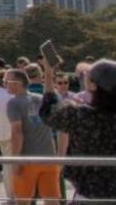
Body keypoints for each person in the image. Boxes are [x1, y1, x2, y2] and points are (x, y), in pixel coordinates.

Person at [46, 58, 116, 202]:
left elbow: (48, 112)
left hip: (87, 195)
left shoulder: (79, 115)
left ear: (93, 85)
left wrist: (48, 74)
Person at [2, 68, 60, 202]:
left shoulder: (13, 103)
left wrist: (15, 160)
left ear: (16, 83)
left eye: (6, 81)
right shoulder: (40, 98)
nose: (4, 85)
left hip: (27, 158)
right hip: (49, 156)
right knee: (52, 200)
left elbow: (17, 132)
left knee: (22, 200)